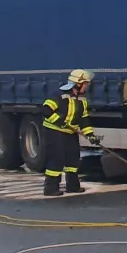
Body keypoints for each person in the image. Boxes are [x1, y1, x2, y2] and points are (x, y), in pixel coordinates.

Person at [41, 69, 97, 197]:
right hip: (54, 131)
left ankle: (73, 186)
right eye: (85, 83)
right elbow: (46, 110)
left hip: (69, 132)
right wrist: (59, 121)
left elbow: (83, 119)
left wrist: (90, 135)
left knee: (73, 158)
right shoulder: (59, 95)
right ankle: (50, 188)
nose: (87, 86)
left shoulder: (82, 100)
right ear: (77, 84)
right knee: (57, 158)